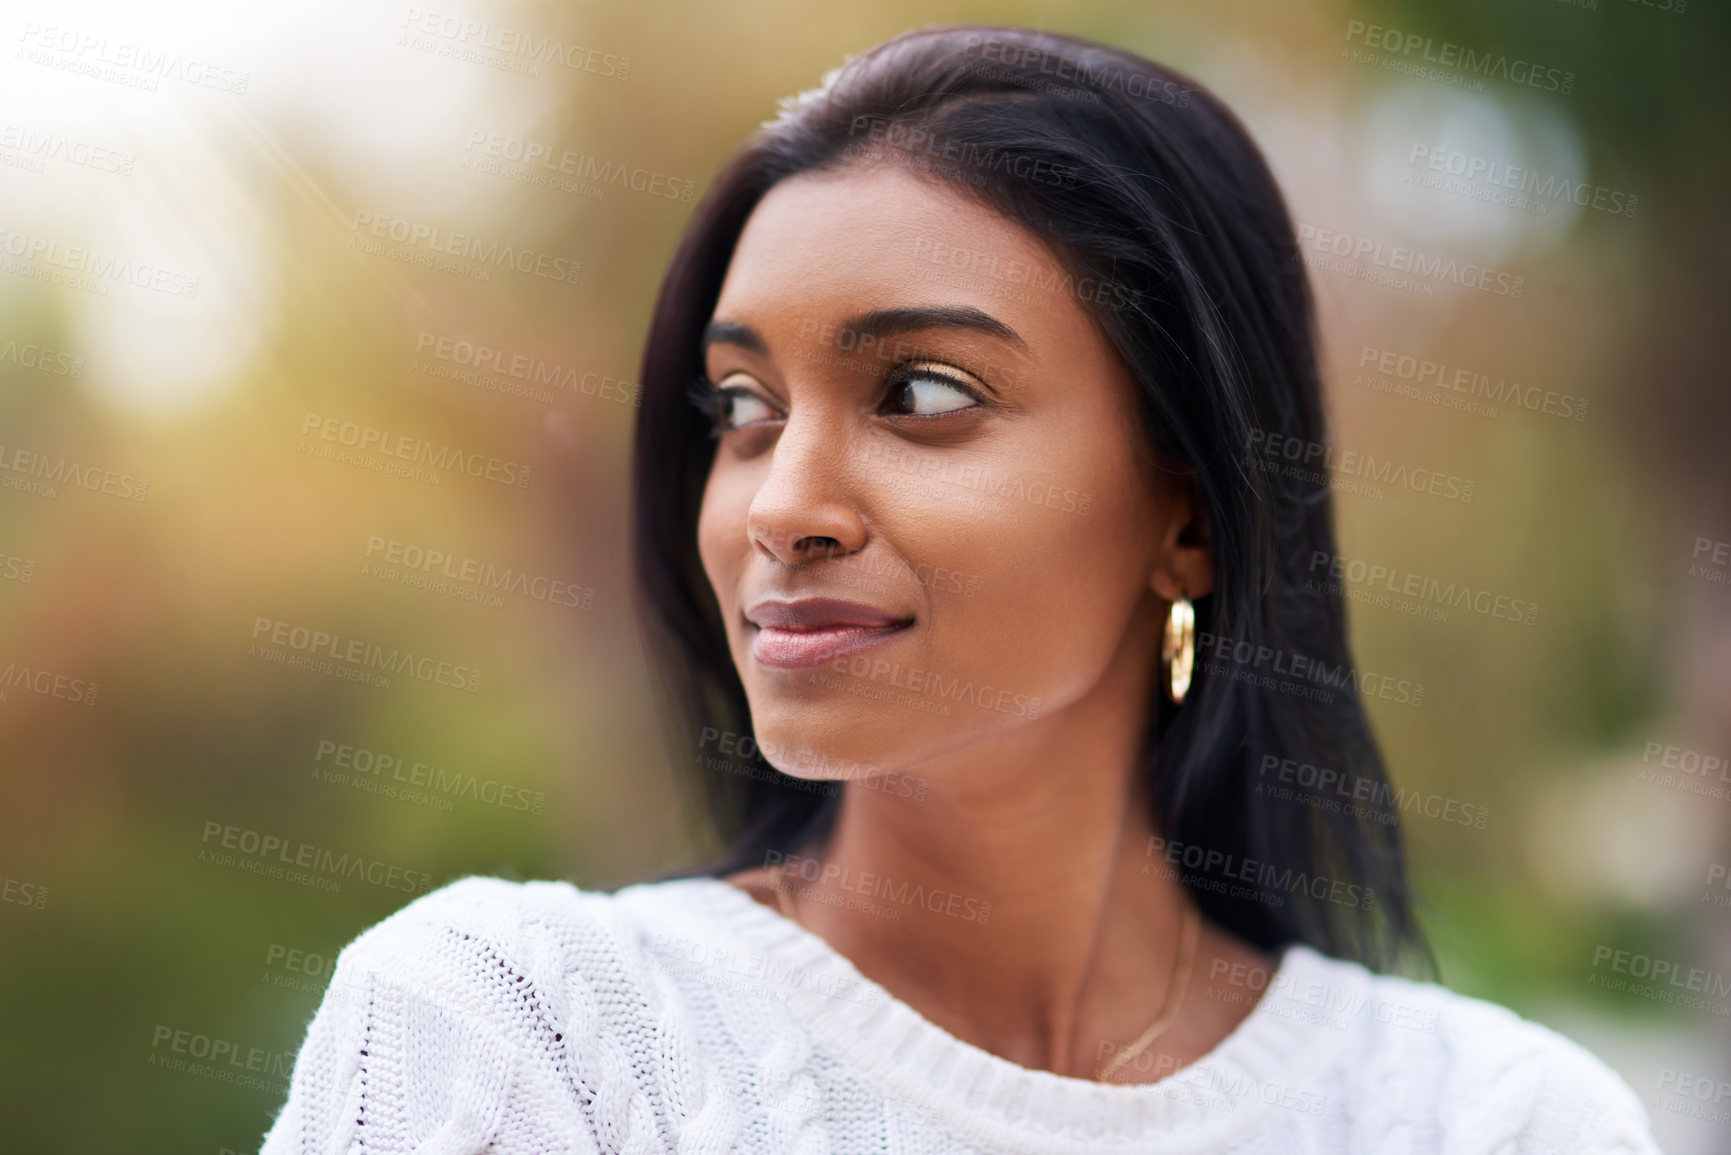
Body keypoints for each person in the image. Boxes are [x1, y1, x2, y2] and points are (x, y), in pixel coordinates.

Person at [260, 25, 1662, 1154]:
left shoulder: (1493, 1119)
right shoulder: (526, 1040)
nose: (784, 506)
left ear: (1191, 514)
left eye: (921, 393)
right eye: (742, 408)